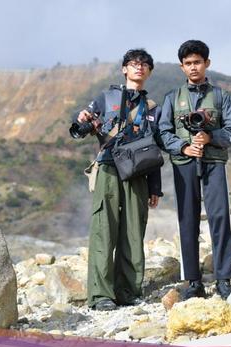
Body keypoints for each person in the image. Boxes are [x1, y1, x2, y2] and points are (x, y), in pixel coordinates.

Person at [71, 49, 162, 311]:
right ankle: (101, 296)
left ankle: (128, 291)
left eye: (144, 65)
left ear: (149, 71)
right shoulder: (105, 97)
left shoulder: (153, 109)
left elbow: (154, 149)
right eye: (134, 64)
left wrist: (155, 187)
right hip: (108, 170)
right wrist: (82, 118)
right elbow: (82, 122)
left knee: (134, 233)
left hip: (138, 175)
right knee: (104, 231)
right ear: (124, 69)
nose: (139, 68)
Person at [159, 40, 231, 300]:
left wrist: (210, 137)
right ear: (181, 67)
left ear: (207, 63)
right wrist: (183, 147)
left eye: (197, 62)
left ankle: (224, 277)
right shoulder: (172, 98)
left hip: (213, 162)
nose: (193, 67)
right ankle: (193, 281)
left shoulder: (220, 96)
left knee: (219, 217)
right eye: (188, 63)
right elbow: (163, 132)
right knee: (187, 220)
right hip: (184, 164)